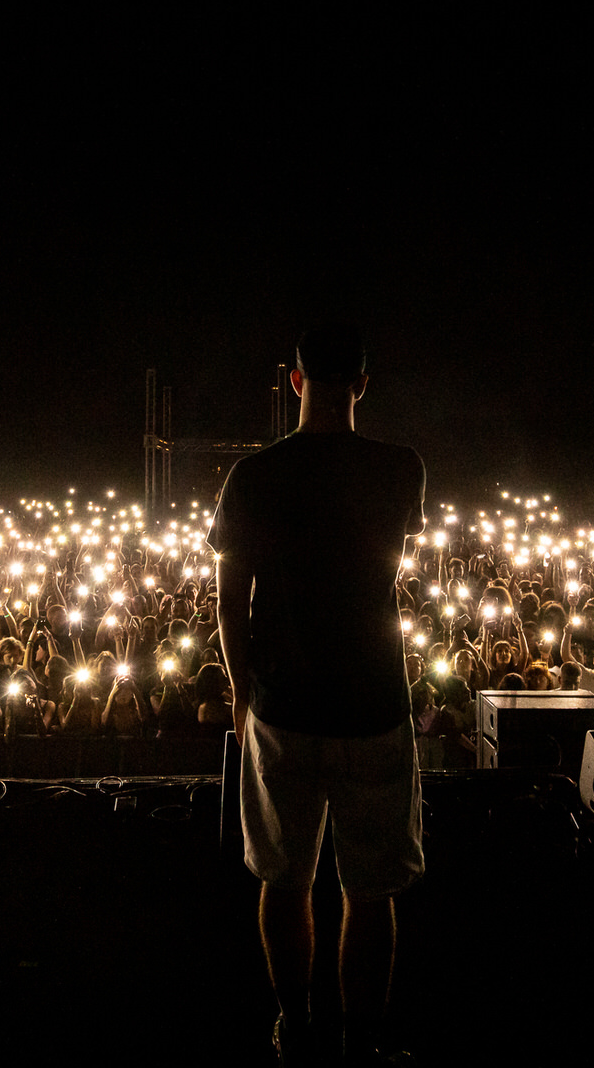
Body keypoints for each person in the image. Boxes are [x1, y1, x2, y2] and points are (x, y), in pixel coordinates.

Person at [210, 325, 425, 1066]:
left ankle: (296, 1026)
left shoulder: (254, 476)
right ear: (363, 384)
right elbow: (385, 571)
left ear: (294, 382)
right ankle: (364, 1042)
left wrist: (242, 696)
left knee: (284, 878)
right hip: (372, 701)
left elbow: (229, 603)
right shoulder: (403, 470)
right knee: (371, 892)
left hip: (282, 705)